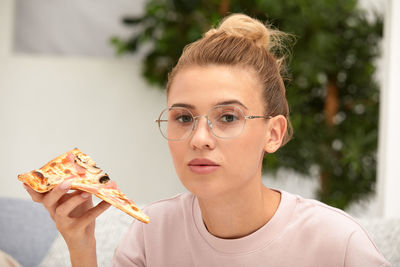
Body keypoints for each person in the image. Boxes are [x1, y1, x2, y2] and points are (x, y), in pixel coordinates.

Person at [24, 13, 390, 267]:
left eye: (227, 117)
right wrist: (81, 245)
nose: (199, 138)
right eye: (183, 117)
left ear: (273, 133)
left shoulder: (337, 245)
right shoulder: (152, 235)